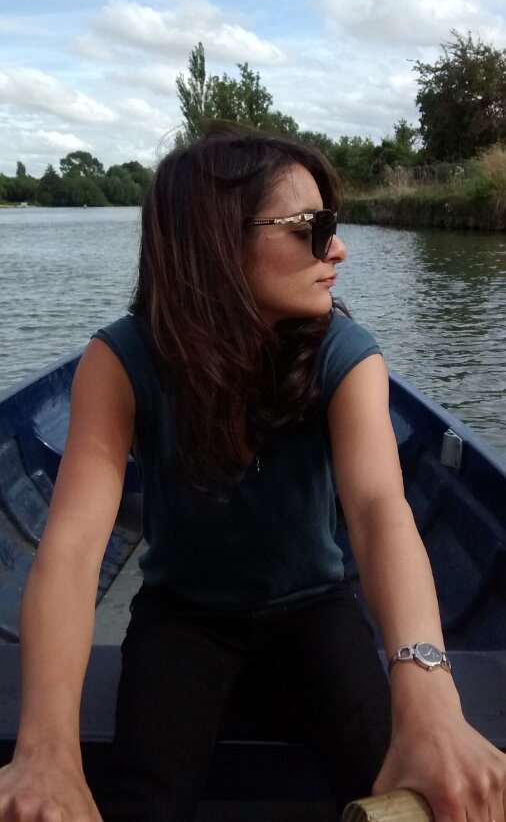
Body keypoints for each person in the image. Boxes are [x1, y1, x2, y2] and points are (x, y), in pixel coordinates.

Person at [0, 125, 505, 822]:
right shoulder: (121, 360)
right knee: (144, 797)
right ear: (215, 241)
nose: (339, 248)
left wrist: (431, 699)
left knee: (395, 767)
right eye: (311, 228)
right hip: (184, 615)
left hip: (315, 606)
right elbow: (74, 546)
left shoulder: (346, 354)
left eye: (332, 225)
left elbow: (379, 511)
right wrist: (45, 749)